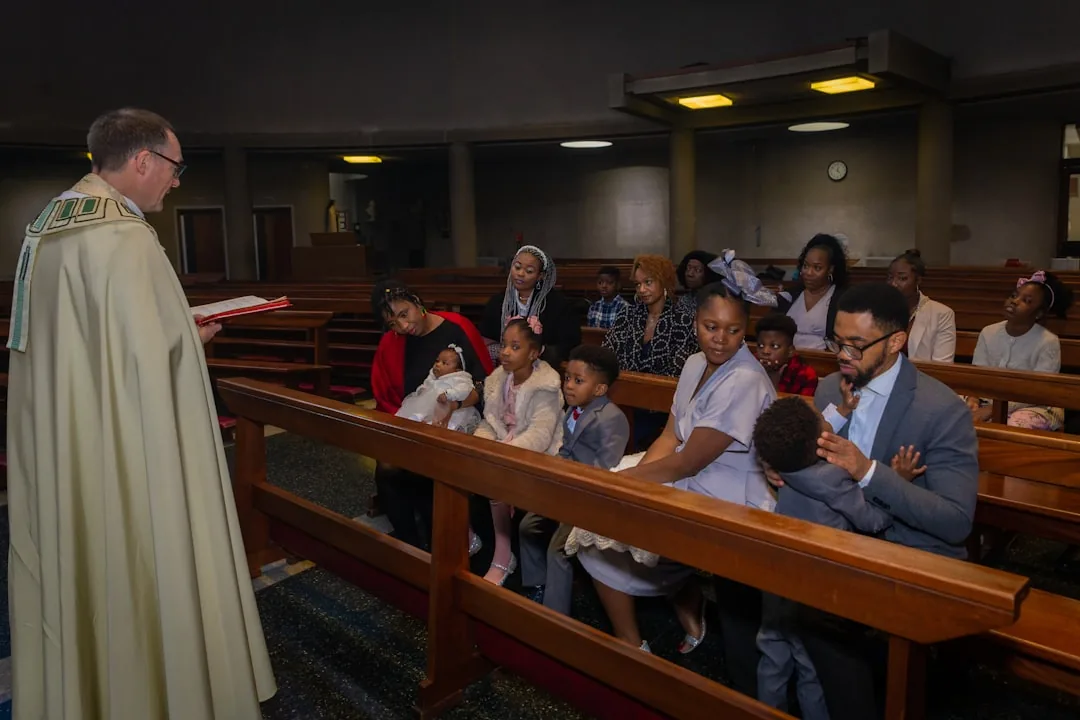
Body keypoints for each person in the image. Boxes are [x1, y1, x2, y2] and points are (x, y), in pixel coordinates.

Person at [5, 108, 276, 719]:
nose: (176, 182)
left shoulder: (47, 226)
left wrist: (174, 327)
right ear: (143, 161)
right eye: (174, 168)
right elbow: (147, 359)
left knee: (80, 563)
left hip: (67, 441)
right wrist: (191, 335)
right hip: (123, 449)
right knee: (139, 555)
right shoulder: (123, 238)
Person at [780, 281, 978, 720]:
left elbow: (956, 522)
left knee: (831, 635)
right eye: (837, 341)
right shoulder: (832, 390)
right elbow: (818, 471)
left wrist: (868, 471)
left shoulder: (941, 409)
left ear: (896, 342)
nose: (842, 355)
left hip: (909, 555)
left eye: (856, 344)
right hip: (842, 544)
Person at [569, 280, 777, 664]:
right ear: (695, 321)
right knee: (591, 520)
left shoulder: (744, 379)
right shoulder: (695, 362)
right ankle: (637, 637)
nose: (720, 339)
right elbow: (670, 435)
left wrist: (628, 483)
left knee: (608, 516)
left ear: (745, 329)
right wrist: (632, 478)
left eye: (733, 330)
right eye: (710, 327)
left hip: (727, 490)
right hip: (689, 473)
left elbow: (689, 460)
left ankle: (680, 594)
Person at [752, 398, 893, 719]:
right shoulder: (831, 477)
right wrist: (895, 481)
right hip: (812, 585)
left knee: (772, 652)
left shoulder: (783, 466)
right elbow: (872, 520)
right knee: (810, 665)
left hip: (778, 573)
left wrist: (839, 411)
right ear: (818, 440)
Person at [370, 281, 493, 550]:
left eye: (404, 314)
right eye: (393, 324)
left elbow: (485, 383)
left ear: (417, 302)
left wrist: (453, 407)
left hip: (460, 416)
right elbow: (386, 395)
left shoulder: (456, 327)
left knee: (424, 469)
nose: (402, 327)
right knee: (387, 468)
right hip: (413, 422)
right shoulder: (392, 343)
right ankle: (410, 546)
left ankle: (441, 545)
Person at [518, 345, 630, 613]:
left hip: (588, 495)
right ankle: (536, 584)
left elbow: (604, 468)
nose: (568, 386)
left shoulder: (612, 419)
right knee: (527, 526)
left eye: (578, 381)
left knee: (558, 550)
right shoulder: (574, 409)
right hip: (565, 484)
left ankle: (555, 614)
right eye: (567, 378)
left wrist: (571, 488)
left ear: (600, 389)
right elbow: (565, 450)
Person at [474, 317, 565, 585]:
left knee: (495, 479)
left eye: (515, 347)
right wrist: (482, 444)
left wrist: (500, 452)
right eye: (504, 345)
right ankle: (466, 538)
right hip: (504, 446)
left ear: (534, 353)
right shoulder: (498, 380)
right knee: (459, 466)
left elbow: (540, 437)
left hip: (536, 455)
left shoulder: (545, 386)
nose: (505, 352)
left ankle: (504, 556)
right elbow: (489, 421)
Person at [604, 254, 698, 448]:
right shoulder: (627, 314)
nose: (642, 290)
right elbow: (608, 352)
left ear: (664, 281)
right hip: (622, 397)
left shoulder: (682, 320)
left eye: (648, 282)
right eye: (638, 284)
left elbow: (680, 372)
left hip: (661, 406)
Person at [970, 270, 1074, 430]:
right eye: (1014, 295)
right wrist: (973, 398)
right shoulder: (988, 332)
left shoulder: (1048, 342)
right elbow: (976, 376)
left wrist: (994, 409)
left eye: (1026, 300)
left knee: (1016, 422)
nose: (1015, 302)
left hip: (1036, 405)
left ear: (1038, 313)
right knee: (951, 408)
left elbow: (1039, 391)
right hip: (990, 402)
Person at [481, 244, 581, 368]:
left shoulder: (557, 304)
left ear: (540, 276)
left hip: (543, 367)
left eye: (529, 271)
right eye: (517, 267)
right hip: (504, 366)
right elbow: (486, 339)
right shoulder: (497, 302)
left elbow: (569, 343)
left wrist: (538, 352)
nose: (521, 274)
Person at [777, 234, 849, 350]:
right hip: (788, 359)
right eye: (805, 266)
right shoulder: (790, 295)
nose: (809, 272)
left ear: (830, 269)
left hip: (824, 362)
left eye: (817, 268)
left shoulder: (842, 299)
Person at [886, 249, 956, 362]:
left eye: (902, 278)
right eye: (890, 277)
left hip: (923, 376)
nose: (893, 284)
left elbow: (943, 364)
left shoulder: (941, 314)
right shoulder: (879, 309)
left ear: (918, 280)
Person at [395, 344, 482, 433]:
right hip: (428, 403)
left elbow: (465, 390)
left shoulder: (460, 378)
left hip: (448, 406)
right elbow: (426, 383)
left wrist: (449, 394)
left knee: (445, 422)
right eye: (437, 361)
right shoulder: (433, 375)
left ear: (457, 370)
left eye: (444, 363)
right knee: (415, 410)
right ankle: (417, 418)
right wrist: (422, 390)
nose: (438, 365)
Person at [755, 313, 818, 396]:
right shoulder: (750, 365)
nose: (765, 351)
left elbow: (801, 408)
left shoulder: (806, 375)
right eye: (761, 345)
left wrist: (773, 382)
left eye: (774, 346)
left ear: (790, 351)